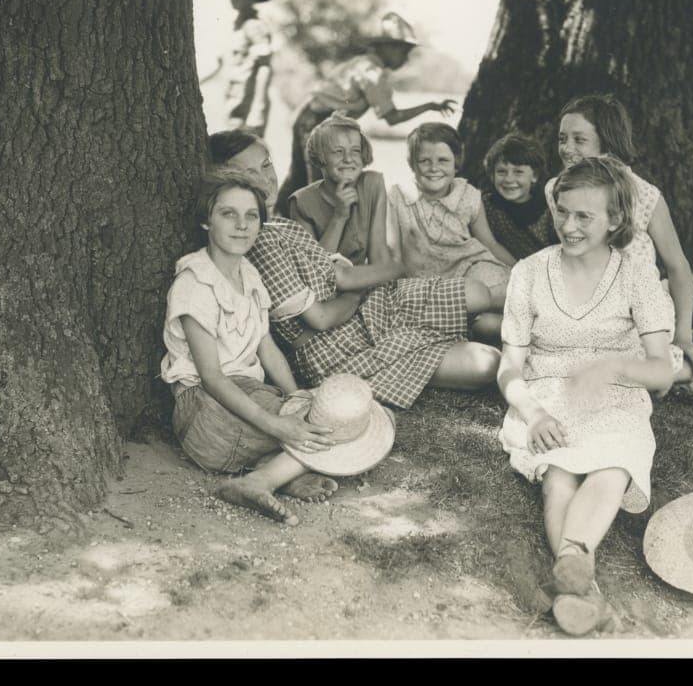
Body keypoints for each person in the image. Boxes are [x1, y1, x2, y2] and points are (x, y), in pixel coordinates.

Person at [497, 157, 676, 636]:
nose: (568, 226)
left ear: (615, 219)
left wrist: (615, 366)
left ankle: (572, 568)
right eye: (562, 212)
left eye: (584, 217)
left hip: (617, 394)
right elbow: (509, 365)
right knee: (559, 472)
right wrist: (532, 413)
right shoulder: (529, 272)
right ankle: (582, 583)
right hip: (546, 394)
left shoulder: (636, 275)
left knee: (613, 466)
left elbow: (661, 370)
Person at [208, 129, 501, 410]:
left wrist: (369, 281)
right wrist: (362, 289)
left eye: (266, 164)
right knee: (488, 364)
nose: (266, 178)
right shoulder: (257, 243)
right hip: (338, 347)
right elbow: (321, 320)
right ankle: (436, 343)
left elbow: (333, 273)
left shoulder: (279, 226)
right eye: (249, 173)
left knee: (479, 294)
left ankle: (495, 321)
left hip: (369, 310)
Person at [545, 93, 693, 412]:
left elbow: (679, 268)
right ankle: (681, 377)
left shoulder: (642, 194)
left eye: (579, 140)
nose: (567, 148)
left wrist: (683, 335)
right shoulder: (556, 189)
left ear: (607, 144)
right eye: (562, 139)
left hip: (641, 306)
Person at [160, 168, 338, 526]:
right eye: (228, 214)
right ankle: (263, 479)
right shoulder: (195, 283)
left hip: (246, 400)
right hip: (204, 411)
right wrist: (278, 424)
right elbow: (212, 378)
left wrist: (296, 395)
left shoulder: (250, 275)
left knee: (326, 418)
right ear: (206, 221)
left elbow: (265, 345)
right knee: (326, 431)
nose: (242, 225)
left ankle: (268, 470)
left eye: (251, 216)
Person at [275, 12, 457, 215]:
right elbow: (392, 117)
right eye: (402, 50)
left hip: (309, 119)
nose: (405, 58)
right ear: (385, 47)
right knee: (319, 186)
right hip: (317, 124)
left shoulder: (361, 64)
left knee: (300, 177)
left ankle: (280, 218)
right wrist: (430, 106)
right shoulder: (372, 73)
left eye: (408, 52)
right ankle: (310, 231)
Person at [387, 122, 516, 340]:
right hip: (427, 281)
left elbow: (489, 244)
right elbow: (393, 253)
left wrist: (521, 271)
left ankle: (484, 320)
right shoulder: (398, 197)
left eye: (443, 161)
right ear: (412, 165)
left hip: (471, 267)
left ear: (456, 164)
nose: (433, 168)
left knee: (509, 290)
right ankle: (476, 323)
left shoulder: (467, 195)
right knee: (480, 316)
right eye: (424, 161)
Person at [286, 112, 389, 266]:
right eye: (338, 151)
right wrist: (339, 216)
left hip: (363, 280)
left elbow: (379, 257)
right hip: (325, 285)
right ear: (320, 158)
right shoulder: (301, 202)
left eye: (355, 151)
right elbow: (314, 270)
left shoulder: (373, 184)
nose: (348, 159)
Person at [204, 0, 275, 137]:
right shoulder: (237, 27)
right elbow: (220, 67)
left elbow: (265, 67)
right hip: (233, 105)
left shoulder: (255, 26)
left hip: (247, 109)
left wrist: (258, 108)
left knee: (245, 157)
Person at [480, 132, 558, 260]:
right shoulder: (487, 206)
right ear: (492, 175)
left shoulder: (549, 208)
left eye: (518, 172)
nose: (509, 179)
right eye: (501, 171)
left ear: (534, 176)